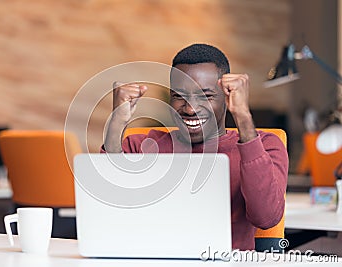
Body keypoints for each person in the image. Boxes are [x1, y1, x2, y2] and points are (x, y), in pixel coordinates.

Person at [102, 43, 288, 250]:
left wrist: (243, 116)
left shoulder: (264, 145)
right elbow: (107, 205)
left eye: (206, 96)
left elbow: (266, 217)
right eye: (179, 96)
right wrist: (116, 122)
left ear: (227, 98)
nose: (190, 109)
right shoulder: (143, 146)